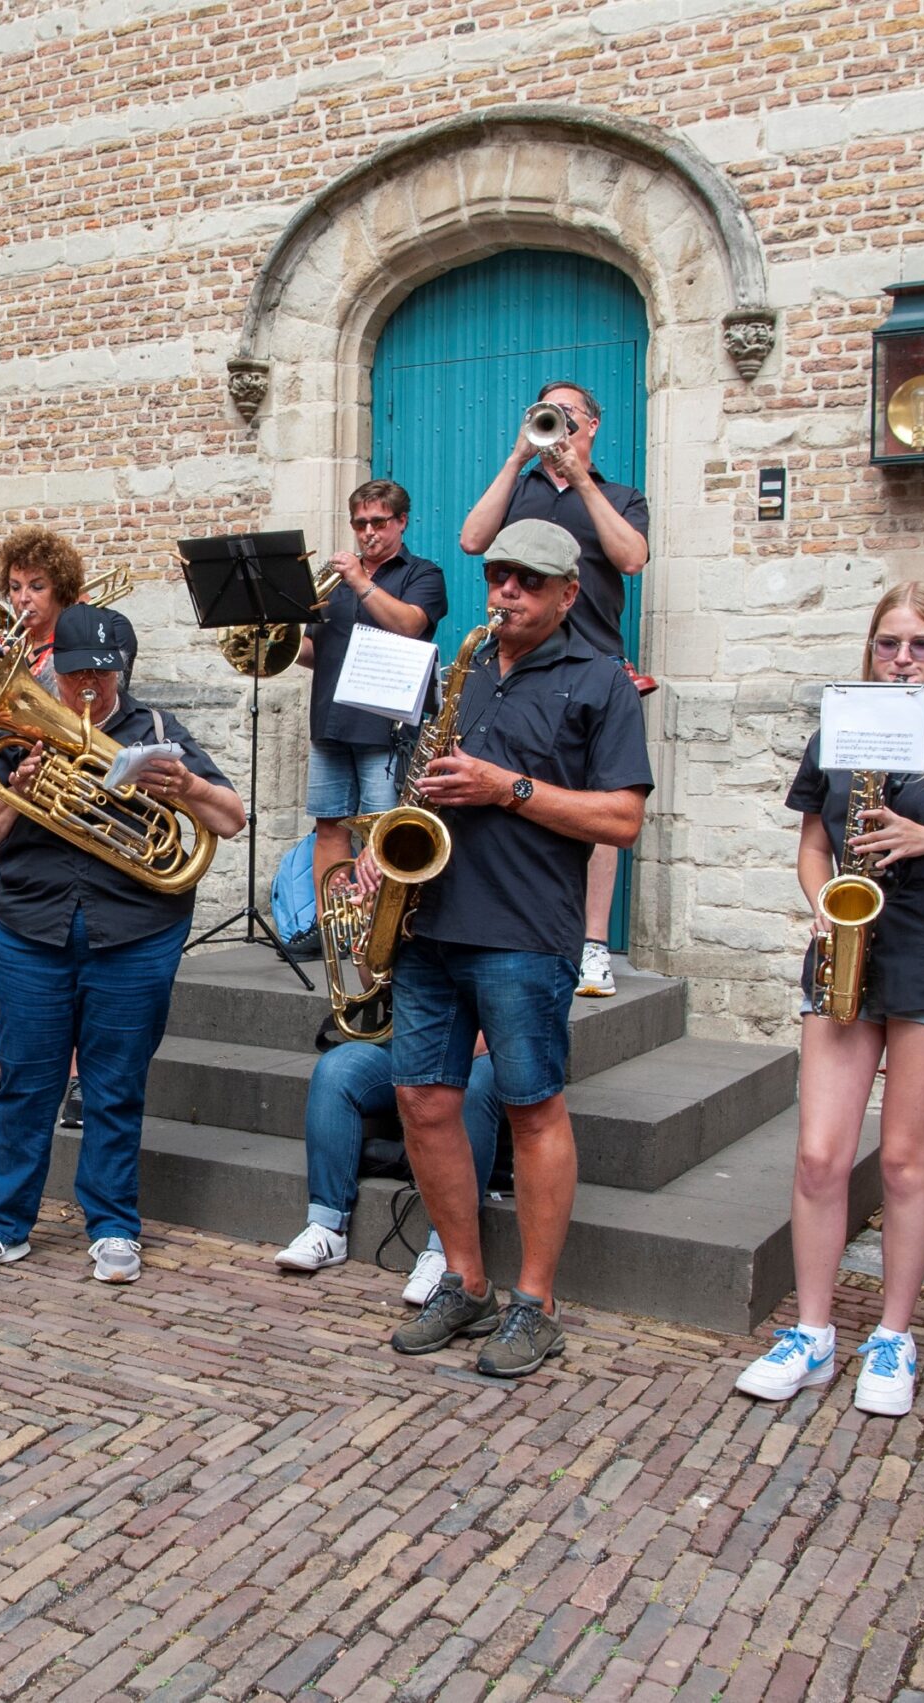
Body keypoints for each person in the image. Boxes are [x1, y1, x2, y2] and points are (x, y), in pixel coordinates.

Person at [733, 583, 924, 1417]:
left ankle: (895, 1336)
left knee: (906, 1162)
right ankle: (813, 1331)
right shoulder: (840, 727)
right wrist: (825, 903)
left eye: (921, 644)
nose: (902, 659)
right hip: (847, 958)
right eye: (888, 643)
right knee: (820, 1156)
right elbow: (812, 844)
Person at [383, 519, 650, 1377]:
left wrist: (510, 787)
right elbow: (414, 781)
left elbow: (622, 817)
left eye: (529, 582)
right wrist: (375, 857)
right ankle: (467, 1280)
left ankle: (535, 1302)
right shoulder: (453, 671)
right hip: (430, 918)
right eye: (499, 577)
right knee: (424, 1101)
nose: (507, 594)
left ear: (570, 593)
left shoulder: (600, 680)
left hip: (524, 930)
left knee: (533, 1108)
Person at [0, 604, 248, 1285]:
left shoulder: (158, 733)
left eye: (103, 676)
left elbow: (230, 818)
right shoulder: (17, 734)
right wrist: (18, 793)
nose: (89, 689)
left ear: (123, 672)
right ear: (52, 670)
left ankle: (113, 1226)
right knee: (26, 1083)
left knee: (114, 1086)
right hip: (32, 929)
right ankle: (3, 1224)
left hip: (135, 934)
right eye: (78, 673)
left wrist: (189, 785)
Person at [458, 381, 652, 999]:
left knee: (596, 805)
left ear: (592, 425)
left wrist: (583, 481)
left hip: (593, 662)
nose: (557, 425)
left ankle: (593, 944)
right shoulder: (520, 488)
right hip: (523, 663)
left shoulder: (621, 494)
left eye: (568, 415)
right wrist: (518, 458)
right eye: (547, 415)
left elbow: (631, 558)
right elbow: (471, 540)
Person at [0, 526, 83, 1122]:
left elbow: (89, 719)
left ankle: (76, 1080)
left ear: (61, 591)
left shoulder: (79, 648)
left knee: (69, 946)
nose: (23, 598)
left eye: (36, 586)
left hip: (56, 812)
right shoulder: (6, 653)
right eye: (15, 587)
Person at [296, 480, 448, 911]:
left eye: (378, 522)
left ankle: (374, 926)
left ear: (401, 522)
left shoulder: (423, 575)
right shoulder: (332, 584)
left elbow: (410, 625)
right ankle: (335, 926)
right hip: (331, 719)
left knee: (382, 829)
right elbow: (315, 652)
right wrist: (275, 647)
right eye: (359, 523)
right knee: (329, 827)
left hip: (387, 727)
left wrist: (361, 581)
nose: (368, 533)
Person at [273, 1041, 505, 1304]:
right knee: (335, 1069)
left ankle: (448, 1253)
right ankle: (328, 1227)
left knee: (468, 1090)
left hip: (492, 1049)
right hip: (422, 1040)